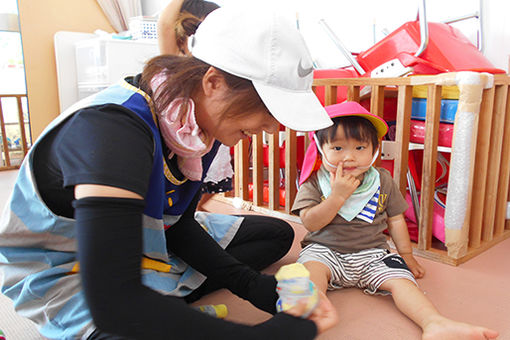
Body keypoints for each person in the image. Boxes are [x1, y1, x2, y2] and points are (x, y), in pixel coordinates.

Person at [0, 5, 338, 340]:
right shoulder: (112, 131)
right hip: (66, 265)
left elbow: (178, 225)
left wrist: (252, 287)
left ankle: (155, 303)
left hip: (142, 237)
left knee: (276, 235)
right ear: (214, 82)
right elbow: (113, 304)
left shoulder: (200, 129)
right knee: (122, 317)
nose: (272, 125)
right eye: (267, 107)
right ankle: (154, 303)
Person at [292, 101, 499, 340]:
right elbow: (310, 223)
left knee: (403, 281)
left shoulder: (381, 179)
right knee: (310, 271)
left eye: (360, 147)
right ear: (320, 148)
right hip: (325, 251)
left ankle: (434, 323)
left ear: (374, 149)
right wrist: (337, 196)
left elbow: (396, 220)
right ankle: (310, 315)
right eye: (337, 148)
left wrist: (407, 256)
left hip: (372, 253)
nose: (349, 157)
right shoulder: (315, 181)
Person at [158, 0, 234, 211]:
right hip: (183, 139)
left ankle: (192, 212)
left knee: (213, 184)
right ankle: (186, 213)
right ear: (183, 38)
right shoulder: (176, 63)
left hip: (209, 138)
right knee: (185, 182)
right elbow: (165, 25)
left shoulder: (218, 65)